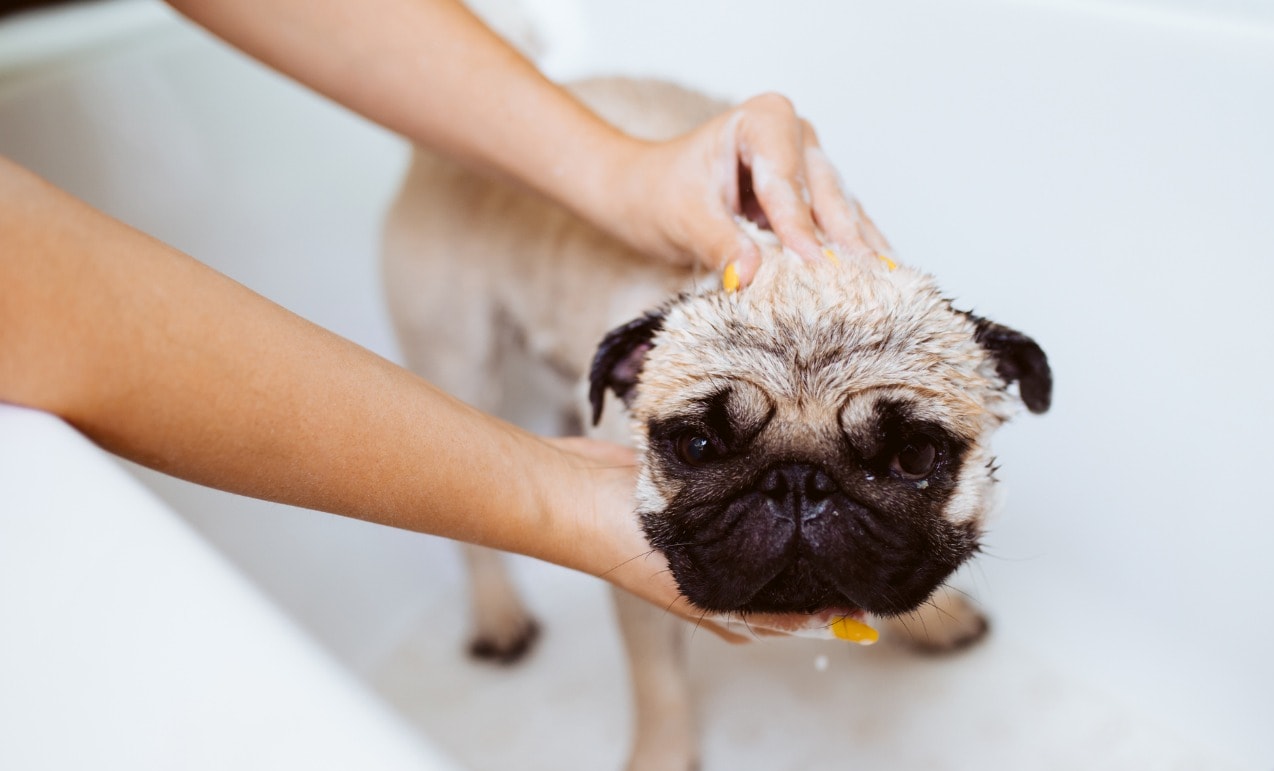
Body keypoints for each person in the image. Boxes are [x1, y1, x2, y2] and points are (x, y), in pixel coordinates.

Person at [0, 0, 888, 639]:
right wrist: (555, 497)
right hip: (457, 242)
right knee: (458, 380)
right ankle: (485, 587)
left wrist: (623, 173)